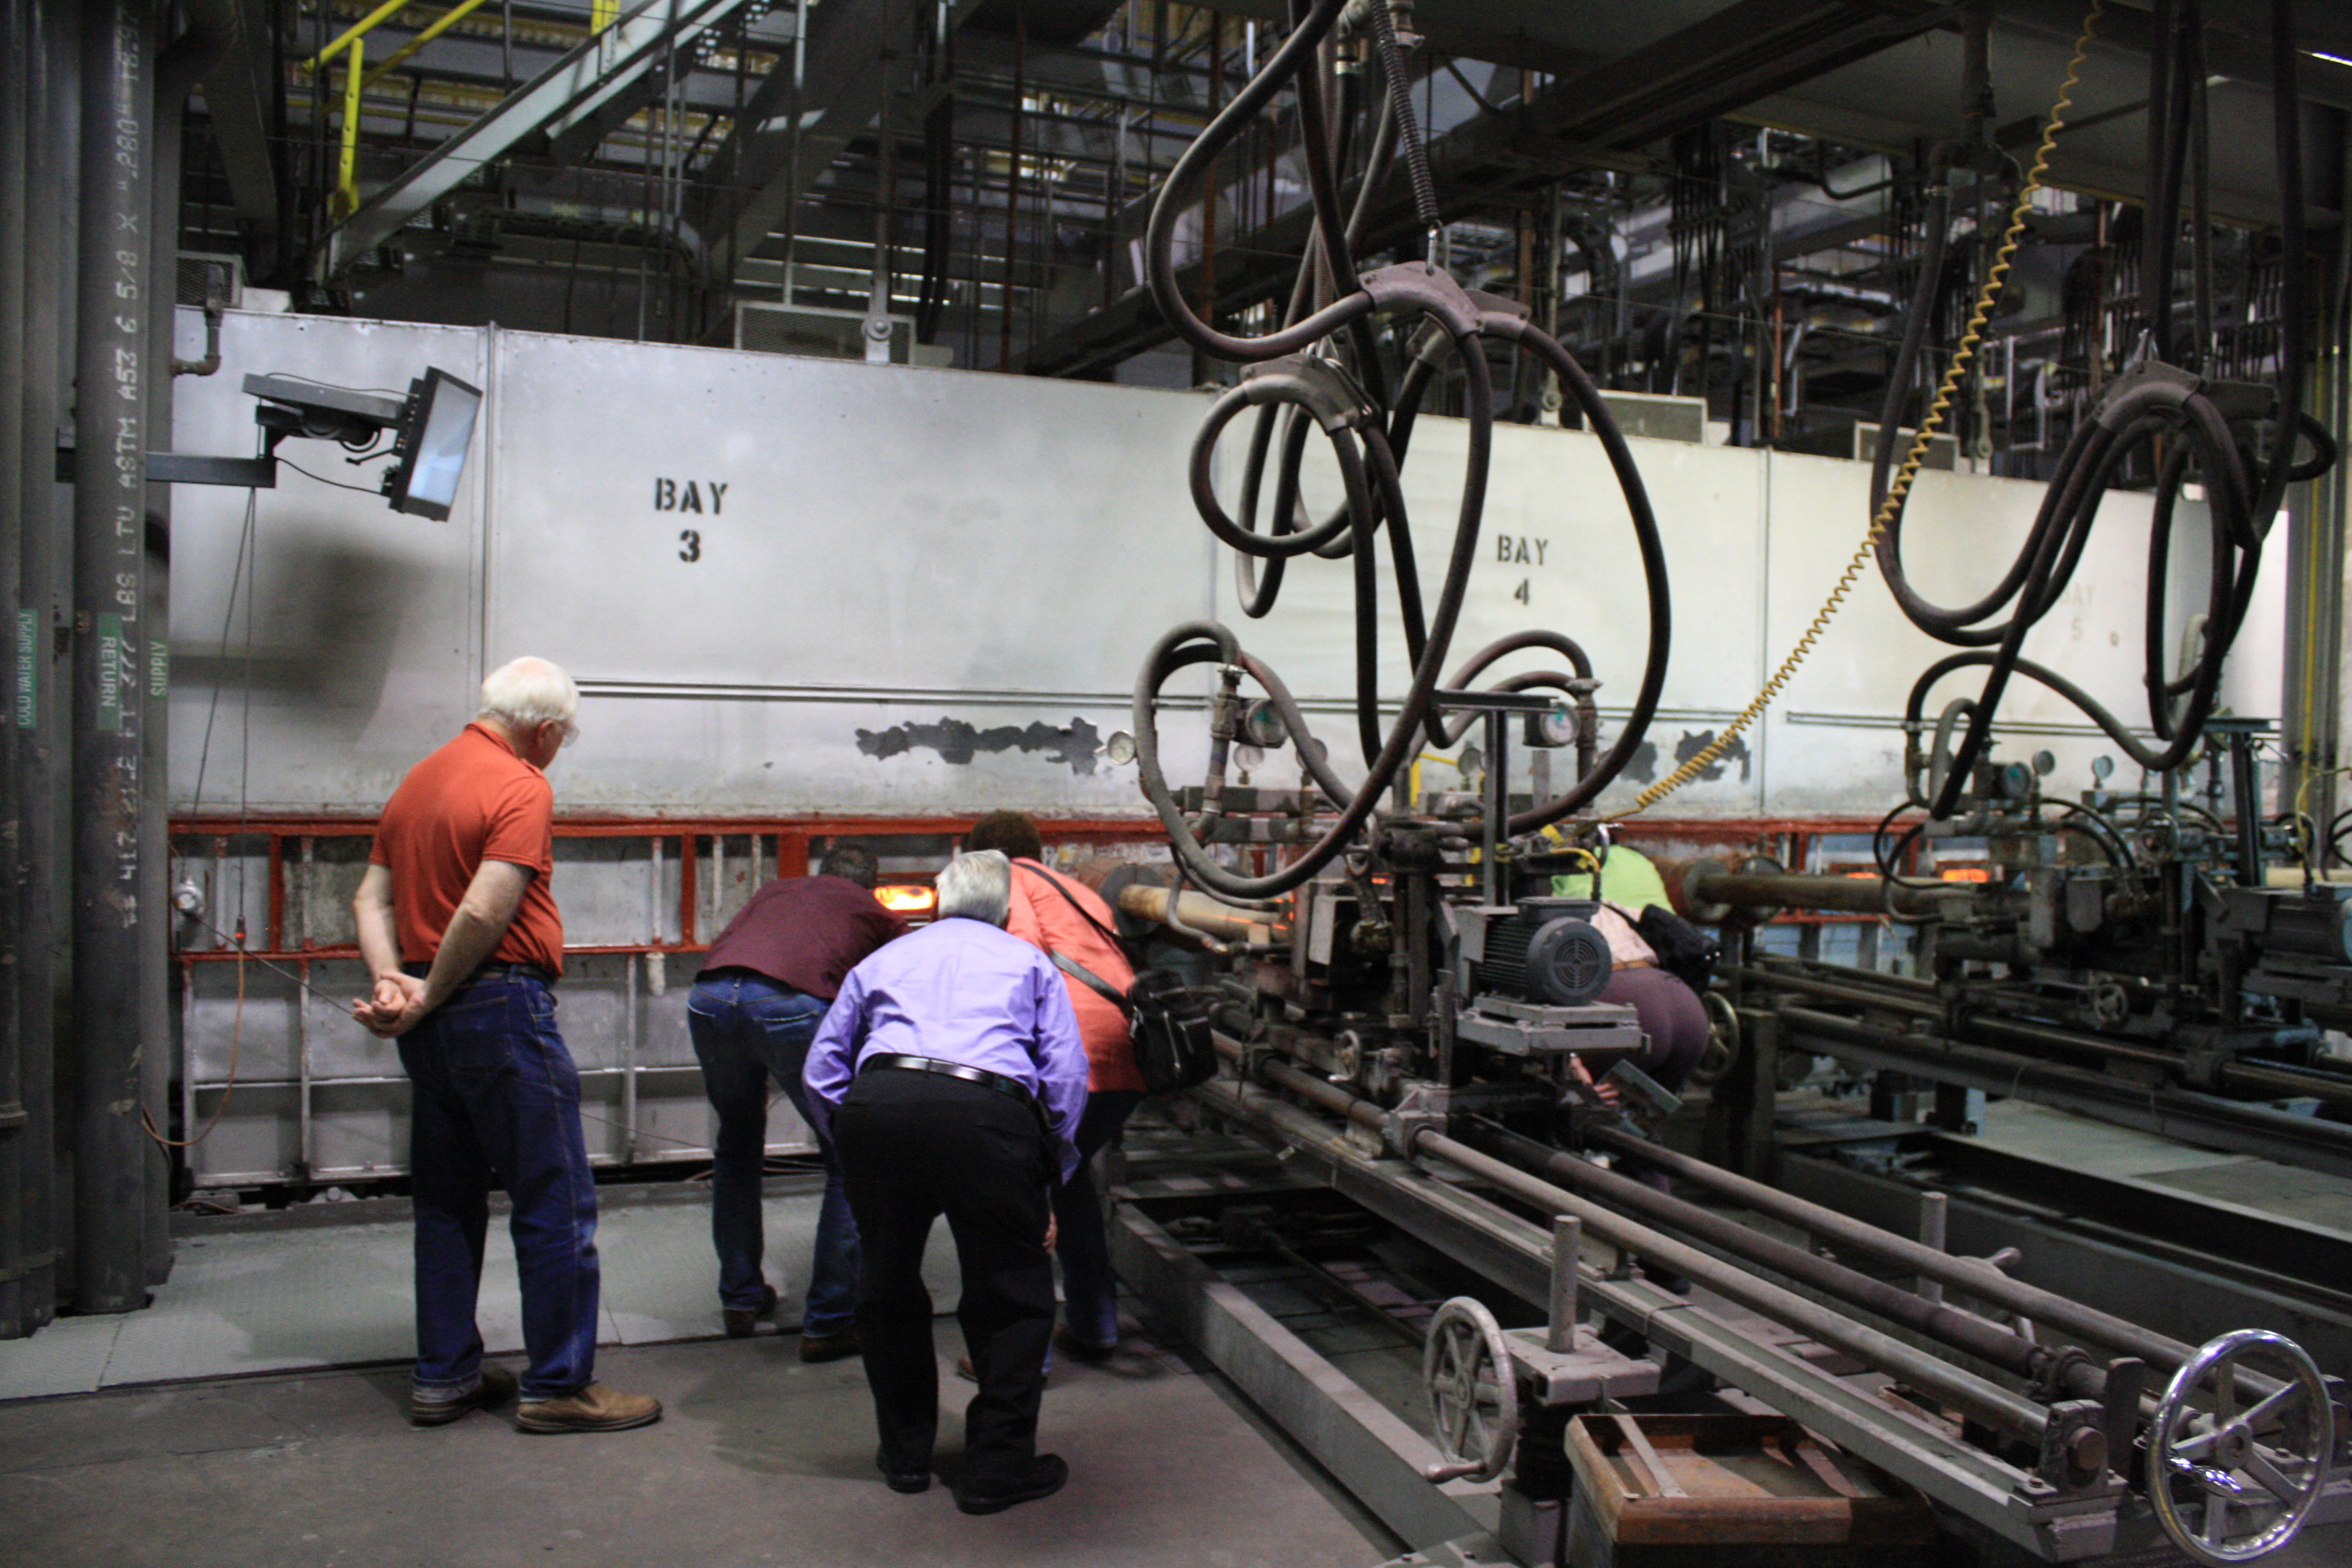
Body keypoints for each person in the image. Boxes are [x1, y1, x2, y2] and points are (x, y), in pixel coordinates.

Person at [350, 656, 660, 1435]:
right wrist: (434, 992)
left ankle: (444, 1376)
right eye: (562, 738)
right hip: (498, 1005)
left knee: (447, 1206)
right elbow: (488, 911)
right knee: (554, 1202)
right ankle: (558, 1385)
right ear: (546, 729)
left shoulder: (418, 778)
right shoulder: (521, 783)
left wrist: (396, 982)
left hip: (430, 1020)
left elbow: (369, 897)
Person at [802, 851, 1089, 1514]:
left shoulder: (884, 960)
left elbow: (824, 1068)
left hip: (881, 1106)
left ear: (936, 902)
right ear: (1008, 910)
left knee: (887, 1286)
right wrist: (1052, 1168)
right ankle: (997, 1469)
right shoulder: (1028, 963)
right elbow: (1066, 1078)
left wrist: (851, 1139)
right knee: (1010, 1296)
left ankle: (905, 1457)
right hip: (987, 1116)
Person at [687, 845, 906, 1354]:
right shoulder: (871, 909)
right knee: (849, 1157)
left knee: (736, 1150)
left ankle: (740, 1299)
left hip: (711, 999)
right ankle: (830, 1319)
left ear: (821, 872)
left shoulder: (775, 890)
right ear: (870, 883)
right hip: (787, 1003)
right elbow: (900, 979)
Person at [964, 811, 1145, 1358]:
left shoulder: (1008, 884)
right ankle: (1095, 1325)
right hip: (1128, 1051)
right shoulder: (1075, 890)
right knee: (1069, 1182)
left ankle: (1022, 1352)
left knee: (1023, 1196)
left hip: (1073, 1054)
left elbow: (1022, 964)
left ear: (982, 857)